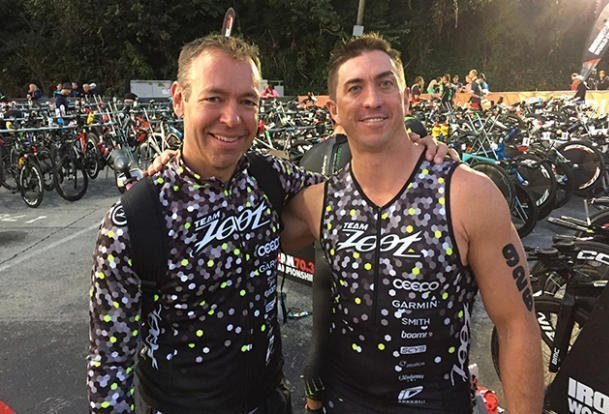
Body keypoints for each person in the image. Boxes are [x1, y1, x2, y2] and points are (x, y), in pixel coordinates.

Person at [89, 33, 451, 414]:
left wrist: (413, 150)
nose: (232, 118)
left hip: (272, 402)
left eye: (247, 101)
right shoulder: (134, 220)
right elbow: (108, 372)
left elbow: (356, 194)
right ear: (179, 100)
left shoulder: (268, 176)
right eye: (214, 98)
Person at [280, 33, 543, 413]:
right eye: (355, 88)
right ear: (334, 110)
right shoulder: (320, 201)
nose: (372, 99)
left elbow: (517, 325)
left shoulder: (467, 194)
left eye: (385, 83)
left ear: (406, 99)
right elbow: (240, 221)